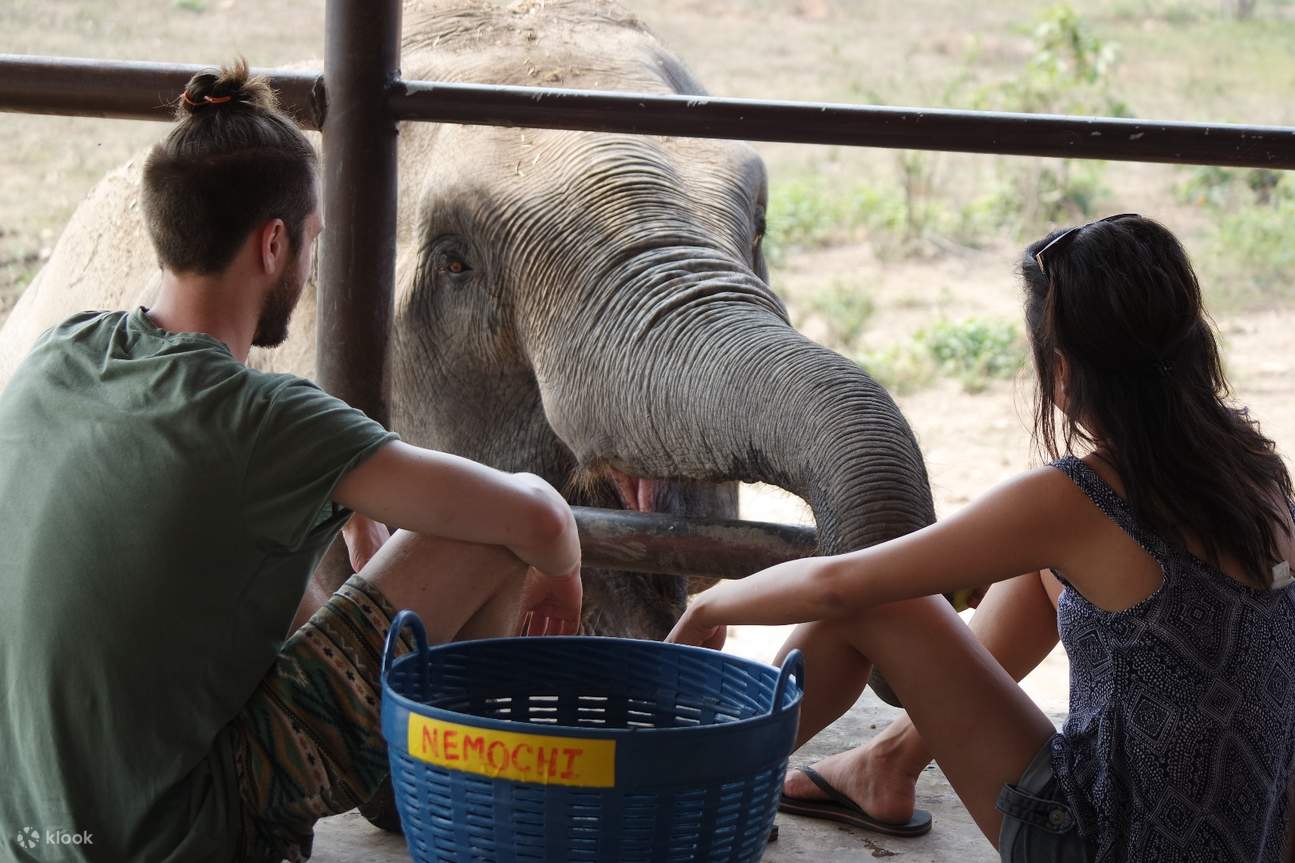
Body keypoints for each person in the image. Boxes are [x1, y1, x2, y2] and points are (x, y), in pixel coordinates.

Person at [0, 62, 582, 863]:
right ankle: (455, 798)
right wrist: (559, 569)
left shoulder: (59, 351)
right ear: (273, 244)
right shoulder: (264, 420)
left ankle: (419, 777)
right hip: (179, 837)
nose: (309, 264)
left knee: (296, 555)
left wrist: (351, 558)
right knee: (488, 530)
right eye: (312, 241)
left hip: (36, 829)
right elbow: (537, 514)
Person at [669, 213, 1295, 862]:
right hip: (1248, 838)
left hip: (1109, 845)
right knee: (1046, 572)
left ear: (1061, 372)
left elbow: (838, 583)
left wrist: (712, 601)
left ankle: (690, 794)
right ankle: (886, 763)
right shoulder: (1253, 465)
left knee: (878, 602)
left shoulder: (1081, 497)